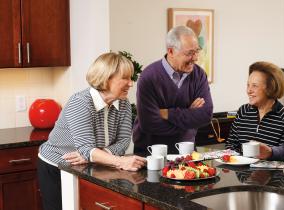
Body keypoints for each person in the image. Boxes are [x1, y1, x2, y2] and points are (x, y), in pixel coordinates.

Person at [37, 52, 147, 210]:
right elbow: (87, 149)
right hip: (56, 165)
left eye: (131, 78)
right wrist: (120, 161)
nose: (131, 83)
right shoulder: (80, 102)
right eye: (125, 78)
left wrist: (92, 155)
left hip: (89, 166)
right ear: (106, 78)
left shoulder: (122, 103)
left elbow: (122, 142)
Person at [132, 25, 213, 156]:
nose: (195, 57)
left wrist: (167, 113)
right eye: (189, 53)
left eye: (197, 51)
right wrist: (189, 116)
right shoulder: (148, 77)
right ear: (171, 51)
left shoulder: (199, 75)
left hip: (186, 151)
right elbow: (149, 124)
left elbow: (205, 115)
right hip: (150, 153)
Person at [225, 61, 284, 157]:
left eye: (254, 86)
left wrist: (269, 153)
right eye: (248, 85)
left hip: (271, 172)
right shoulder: (243, 111)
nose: (248, 91)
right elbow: (231, 145)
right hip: (241, 170)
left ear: (270, 88)